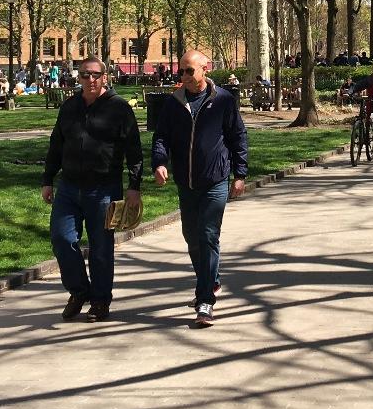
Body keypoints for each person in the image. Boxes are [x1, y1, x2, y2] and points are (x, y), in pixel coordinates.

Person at [41, 57, 143, 323]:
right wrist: (48, 179)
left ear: (105, 77)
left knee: (101, 248)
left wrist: (134, 186)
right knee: (62, 240)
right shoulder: (70, 106)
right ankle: (78, 291)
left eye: (96, 75)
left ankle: (100, 301)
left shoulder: (119, 109)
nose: (91, 80)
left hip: (104, 188)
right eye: (85, 75)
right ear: (79, 77)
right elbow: (56, 144)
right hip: (69, 187)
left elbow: (134, 150)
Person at [152, 50, 249, 328]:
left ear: (205, 69)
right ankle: (212, 279)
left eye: (189, 71)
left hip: (215, 180)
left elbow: (237, 136)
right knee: (191, 237)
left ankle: (205, 300)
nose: (183, 76)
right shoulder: (174, 103)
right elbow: (162, 137)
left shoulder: (223, 101)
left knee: (207, 236)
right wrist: (159, 161)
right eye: (180, 71)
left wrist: (239, 173)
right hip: (187, 182)